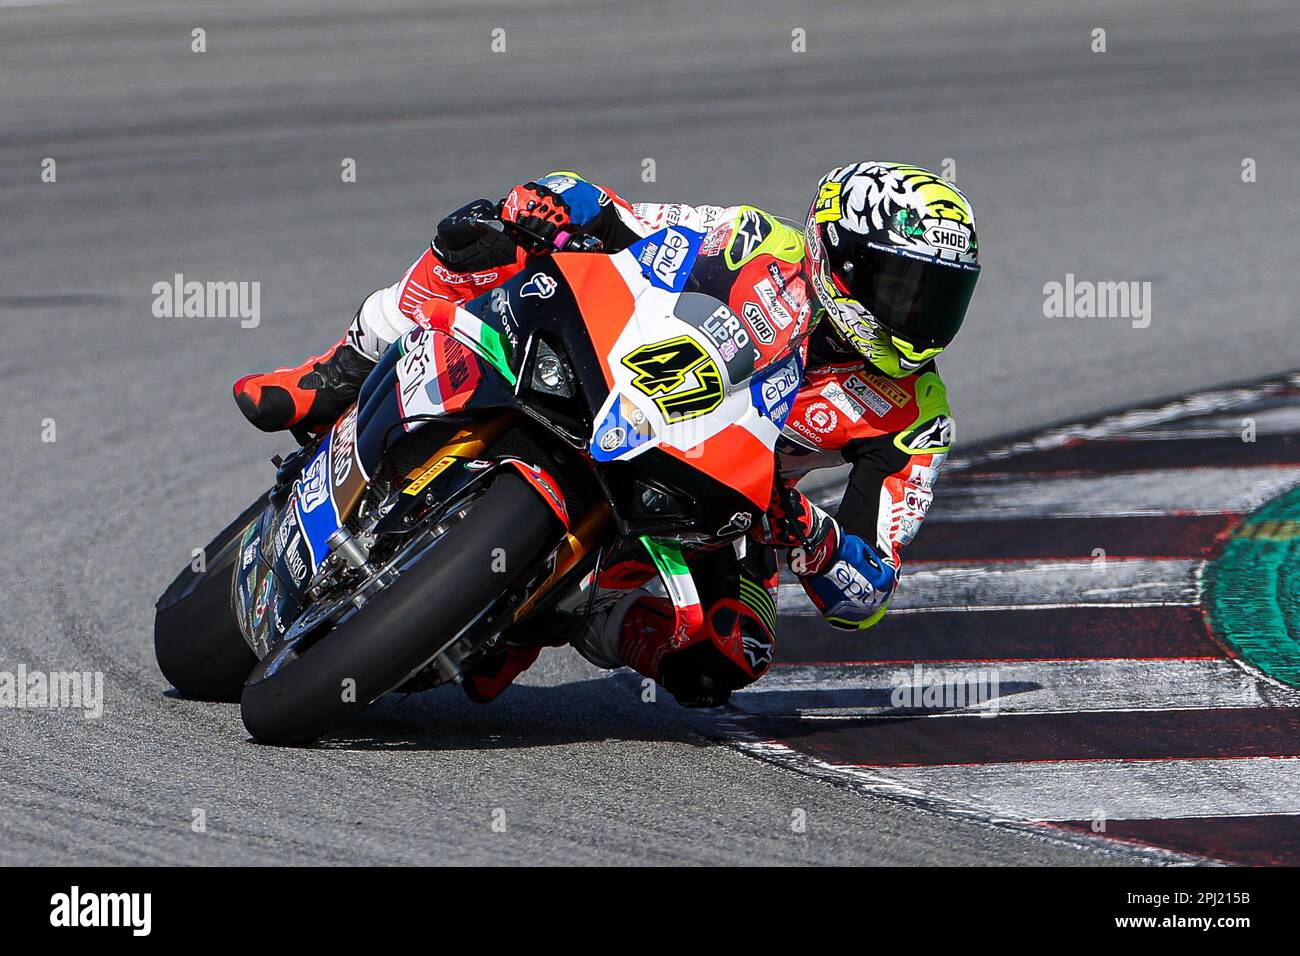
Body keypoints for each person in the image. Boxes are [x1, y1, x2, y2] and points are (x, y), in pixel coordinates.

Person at [233, 163, 981, 706]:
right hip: (626, 385)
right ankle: (340, 367)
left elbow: (868, 591)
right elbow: (628, 217)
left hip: (730, 502)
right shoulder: (755, 241)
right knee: (484, 237)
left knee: (731, 653)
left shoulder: (916, 413)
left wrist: (810, 536)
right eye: (905, 289)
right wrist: (557, 203)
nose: (919, 317)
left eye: (939, 299)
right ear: (841, 257)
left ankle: (556, 617)